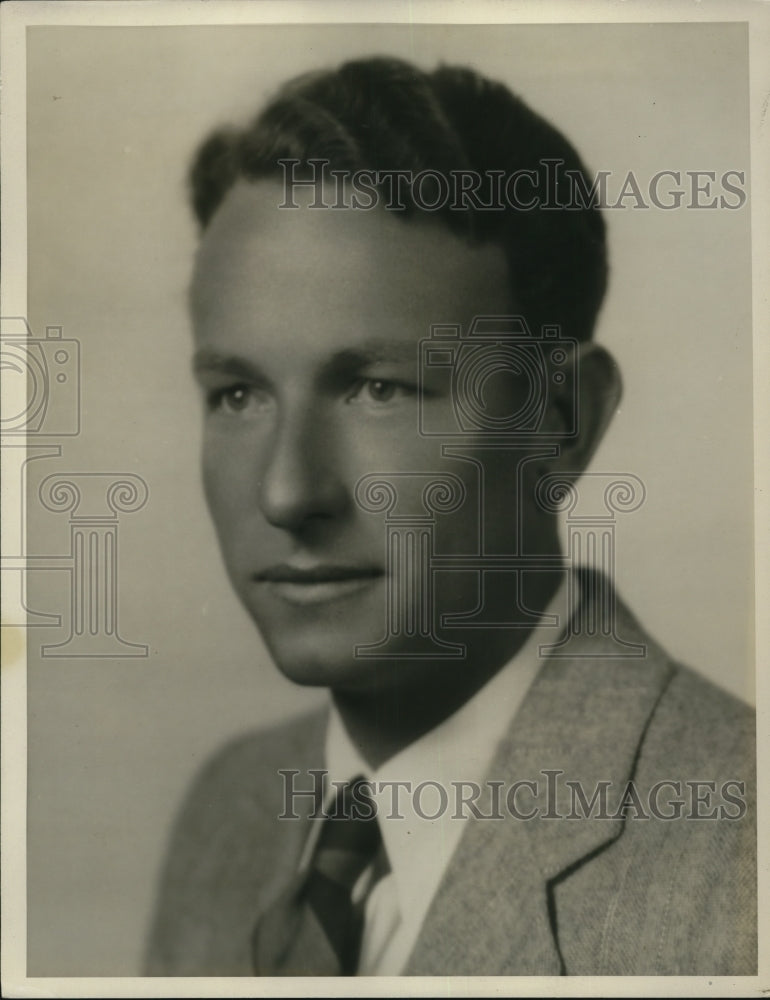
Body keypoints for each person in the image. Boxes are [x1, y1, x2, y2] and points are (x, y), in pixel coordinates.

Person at [145, 57, 756, 976]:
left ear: (562, 418)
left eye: (379, 388)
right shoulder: (226, 815)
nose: (285, 494)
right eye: (238, 395)